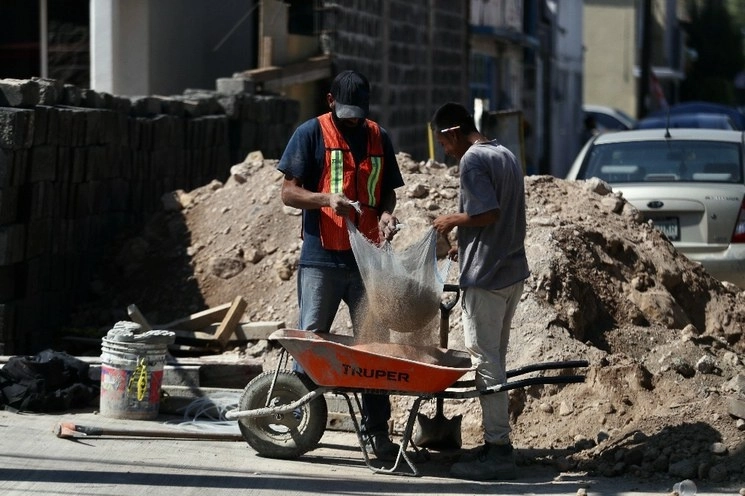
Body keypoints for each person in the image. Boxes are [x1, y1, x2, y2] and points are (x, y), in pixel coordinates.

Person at [276, 70, 405, 461]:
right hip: (322, 259)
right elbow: (288, 192)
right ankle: (295, 419)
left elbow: (387, 196)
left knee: (375, 349)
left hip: (368, 261)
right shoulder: (310, 134)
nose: (352, 120)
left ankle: (376, 433)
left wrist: (385, 215)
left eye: (358, 113)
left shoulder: (378, 136)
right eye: (345, 111)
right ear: (330, 100)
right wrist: (325, 200)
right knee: (312, 338)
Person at [430, 102, 530, 481]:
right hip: (510, 272)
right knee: (496, 359)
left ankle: (498, 450)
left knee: (485, 361)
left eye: (443, 141)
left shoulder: (471, 160)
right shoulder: (505, 153)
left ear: (453, 132)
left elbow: (489, 213)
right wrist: (463, 244)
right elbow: (500, 218)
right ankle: (498, 443)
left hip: (486, 279)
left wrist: (451, 220)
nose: (444, 150)